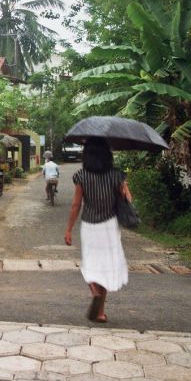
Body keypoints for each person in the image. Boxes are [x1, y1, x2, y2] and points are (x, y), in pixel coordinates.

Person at [63, 137, 132, 323]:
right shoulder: (116, 175)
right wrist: (124, 188)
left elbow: (76, 205)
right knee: (105, 267)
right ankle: (100, 313)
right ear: (107, 154)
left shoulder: (81, 176)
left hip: (90, 225)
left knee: (91, 263)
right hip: (110, 226)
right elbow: (128, 200)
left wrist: (68, 229)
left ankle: (93, 289)